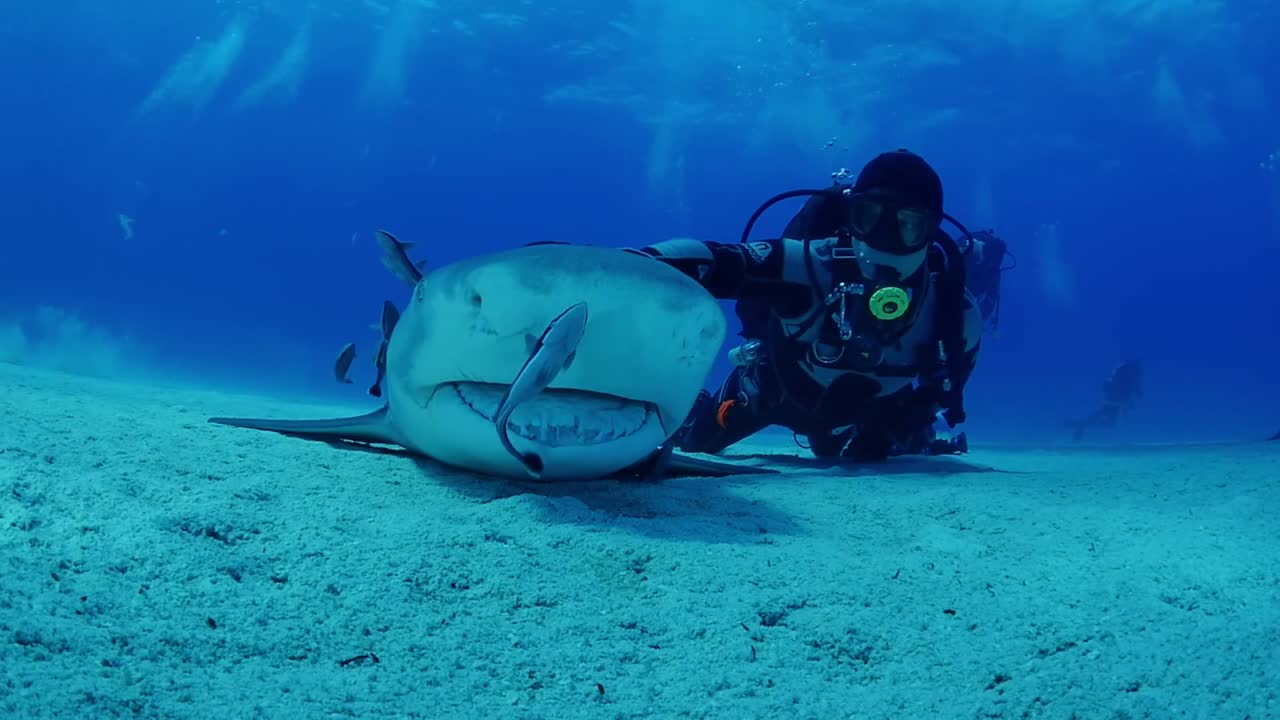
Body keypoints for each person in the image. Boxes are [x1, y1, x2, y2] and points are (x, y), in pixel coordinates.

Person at [634, 148, 984, 461]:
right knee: (696, 442)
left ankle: (867, 436)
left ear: (932, 231)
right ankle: (697, 406)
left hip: (866, 413)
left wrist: (893, 425)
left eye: (909, 225)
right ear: (850, 217)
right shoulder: (812, 265)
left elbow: (944, 391)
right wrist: (635, 264)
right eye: (869, 217)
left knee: (861, 448)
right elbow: (719, 260)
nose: (885, 238)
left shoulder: (955, 314)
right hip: (772, 396)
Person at [1066, 360, 1143, 442]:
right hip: (1116, 401)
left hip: (1112, 399)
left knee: (1105, 419)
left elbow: (1128, 389)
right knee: (1108, 422)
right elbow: (1131, 389)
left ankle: (1080, 424)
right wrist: (1132, 398)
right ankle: (1079, 424)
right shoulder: (1130, 375)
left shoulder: (1125, 373)